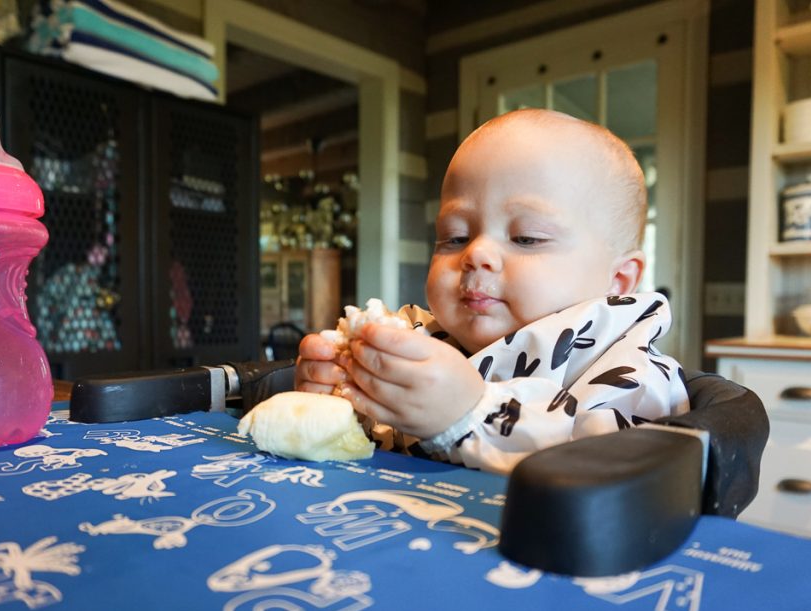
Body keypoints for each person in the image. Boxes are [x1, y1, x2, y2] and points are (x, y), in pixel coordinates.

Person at [295, 108, 690, 474]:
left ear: (618, 280)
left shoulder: (629, 373)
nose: (476, 252)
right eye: (454, 237)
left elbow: (618, 482)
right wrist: (342, 403)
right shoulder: (418, 341)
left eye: (526, 238)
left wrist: (472, 414)